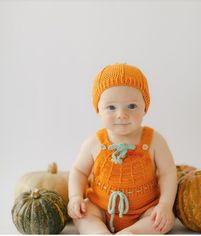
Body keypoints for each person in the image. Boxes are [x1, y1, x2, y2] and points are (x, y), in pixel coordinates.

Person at [67, 63, 177, 234]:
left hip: (144, 209)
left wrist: (165, 205)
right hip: (101, 207)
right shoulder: (94, 143)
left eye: (131, 106)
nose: (121, 114)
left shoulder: (154, 140)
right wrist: (75, 197)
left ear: (145, 107)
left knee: (161, 220)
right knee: (83, 214)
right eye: (111, 107)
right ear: (98, 110)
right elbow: (78, 171)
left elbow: (168, 172)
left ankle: (132, 232)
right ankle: (98, 232)